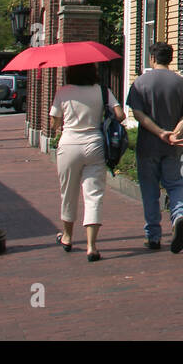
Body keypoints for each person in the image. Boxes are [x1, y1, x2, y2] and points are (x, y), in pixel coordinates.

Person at [49, 62, 125, 261]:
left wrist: (61, 122)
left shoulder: (63, 92)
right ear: (93, 72)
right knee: (94, 194)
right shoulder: (102, 91)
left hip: (69, 144)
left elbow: (54, 121)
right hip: (95, 145)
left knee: (68, 192)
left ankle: (67, 236)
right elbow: (120, 115)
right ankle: (92, 246)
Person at [126, 42, 183, 253]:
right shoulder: (182, 84)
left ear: (152, 58)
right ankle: (179, 215)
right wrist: (175, 134)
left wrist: (160, 133)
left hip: (148, 146)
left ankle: (153, 235)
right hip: (177, 147)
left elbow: (138, 114)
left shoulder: (140, 83)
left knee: (150, 191)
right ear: (171, 59)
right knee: (177, 185)